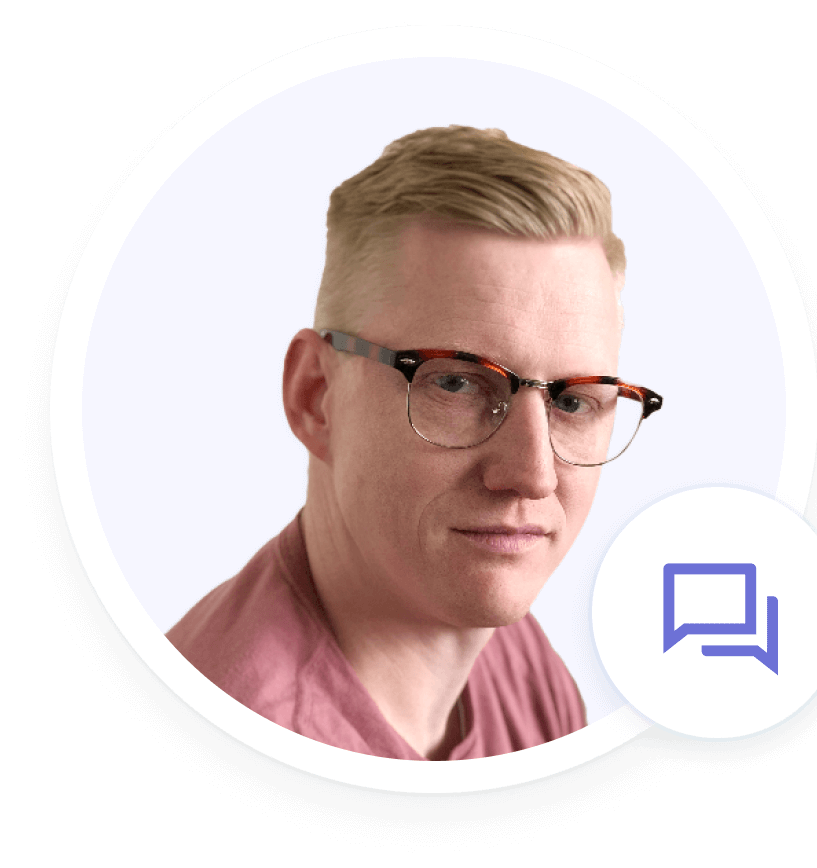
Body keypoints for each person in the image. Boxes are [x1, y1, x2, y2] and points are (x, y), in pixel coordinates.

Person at [167, 126, 662, 761]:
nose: (532, 475)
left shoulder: (516, 661)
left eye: (572, 402)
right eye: (456, 382)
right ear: (316, 395)